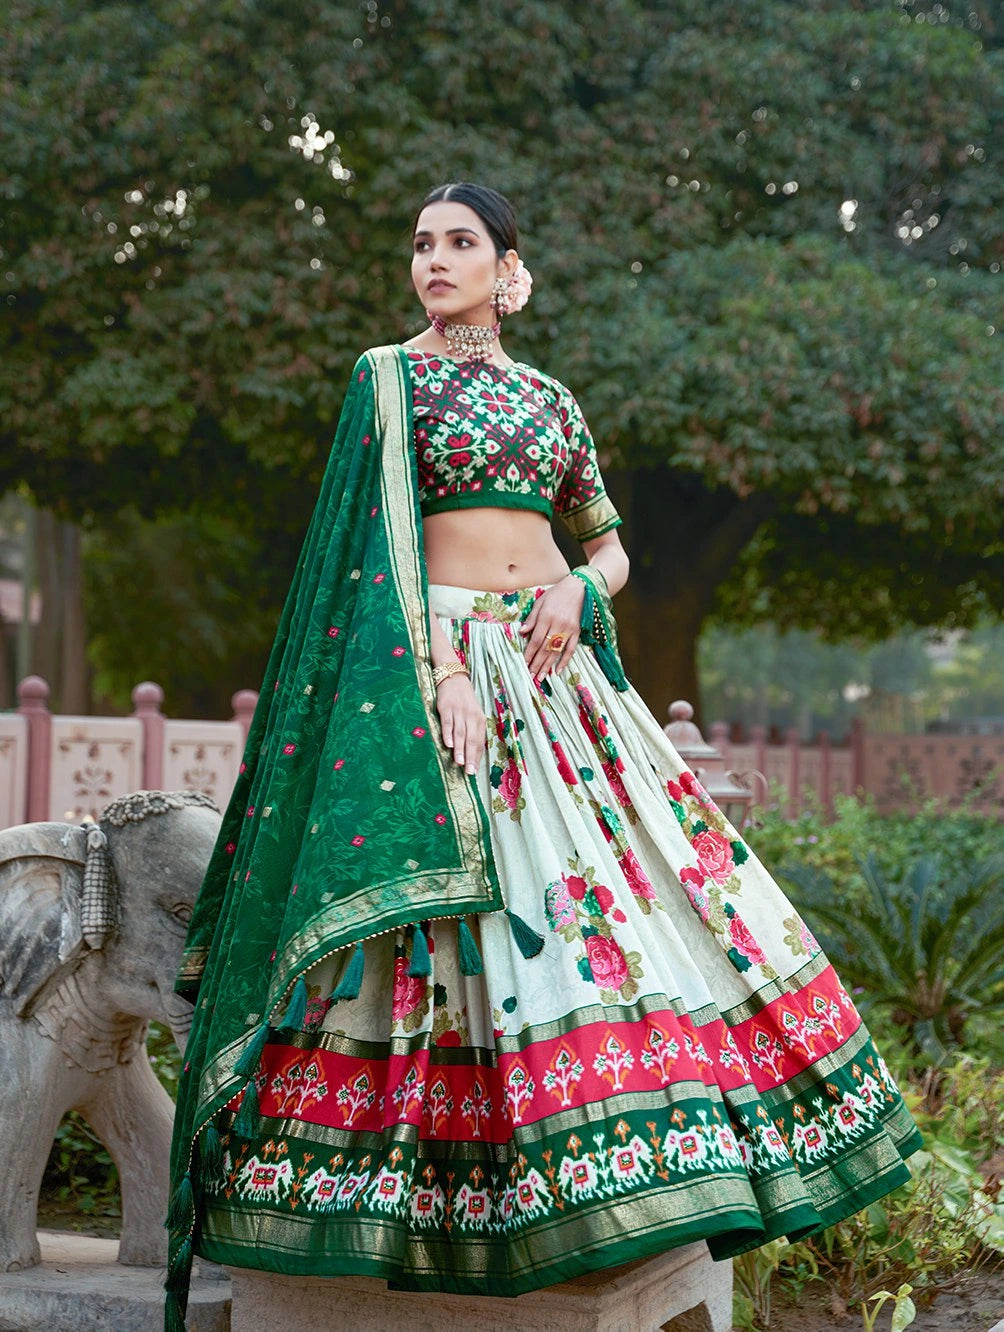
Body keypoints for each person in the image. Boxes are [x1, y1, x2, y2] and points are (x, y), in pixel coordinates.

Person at [165, 182, 921, 1328]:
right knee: (458, 925)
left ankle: (613, 1179)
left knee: (631, 910)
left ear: (507, 266)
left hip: (553, 669)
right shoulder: (388, 378)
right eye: (420, 244)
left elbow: (611, 549)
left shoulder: (549, 401)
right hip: (443, 669)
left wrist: (574, 586)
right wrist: (443, 672)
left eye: (458, 242)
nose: (433, 260)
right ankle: (428, 1198)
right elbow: (373, 552)